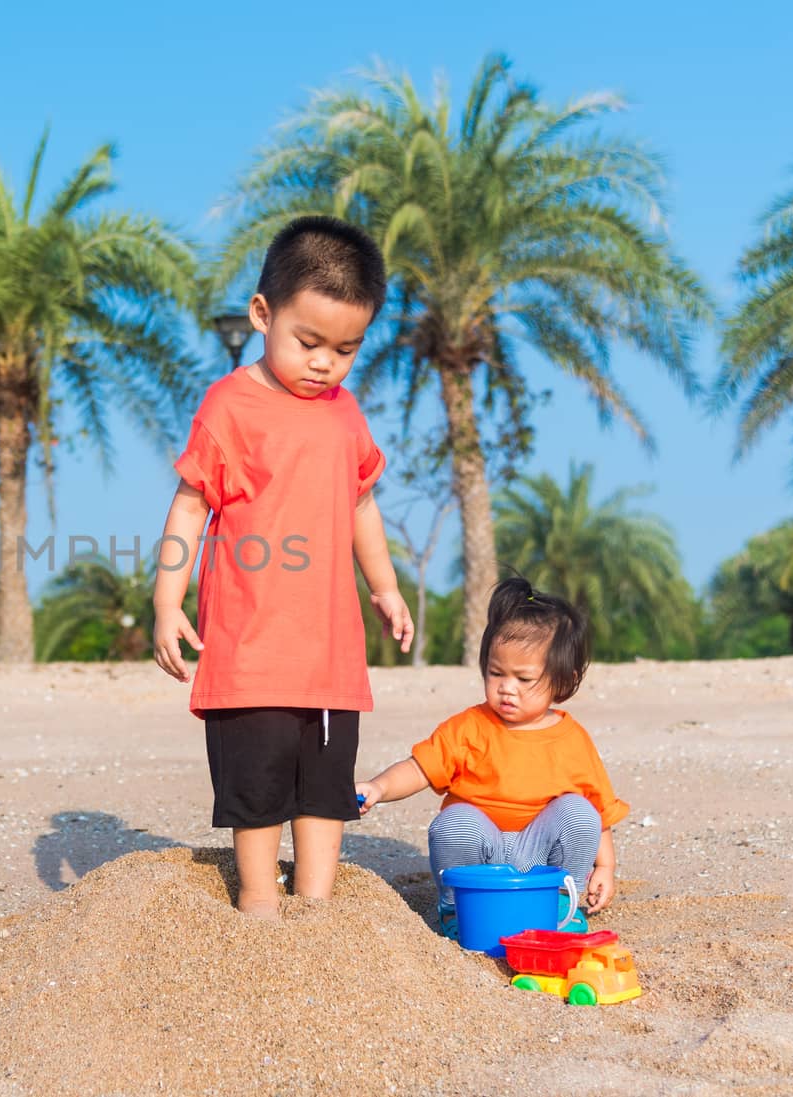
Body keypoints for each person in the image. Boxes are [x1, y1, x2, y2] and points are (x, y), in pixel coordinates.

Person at [152, 215, 413, 920]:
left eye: (347, 349)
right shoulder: (230, 406)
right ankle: (261, 899)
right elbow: (189, 507)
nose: (325, 362)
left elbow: (361, 505)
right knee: (259, 779)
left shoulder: (345, 413)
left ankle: (318, 903)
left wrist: (385, 588)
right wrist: (166, 601)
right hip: (250, 647)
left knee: (325, 784)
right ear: (262, 314)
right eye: (308, 342)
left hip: (330, 649)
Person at [356, 576, 628, 935]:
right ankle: (458, 908)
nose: (506, 689)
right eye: (496, 673)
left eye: (524, 679)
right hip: (482, 855)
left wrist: (604, 867)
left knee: (579, 813)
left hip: (541, 857)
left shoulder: (572, 738)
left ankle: (562, 901)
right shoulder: (471, 726)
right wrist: (378, 787)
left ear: (563, 681)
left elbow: (600, 811)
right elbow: (419, 768)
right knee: (454, 823)